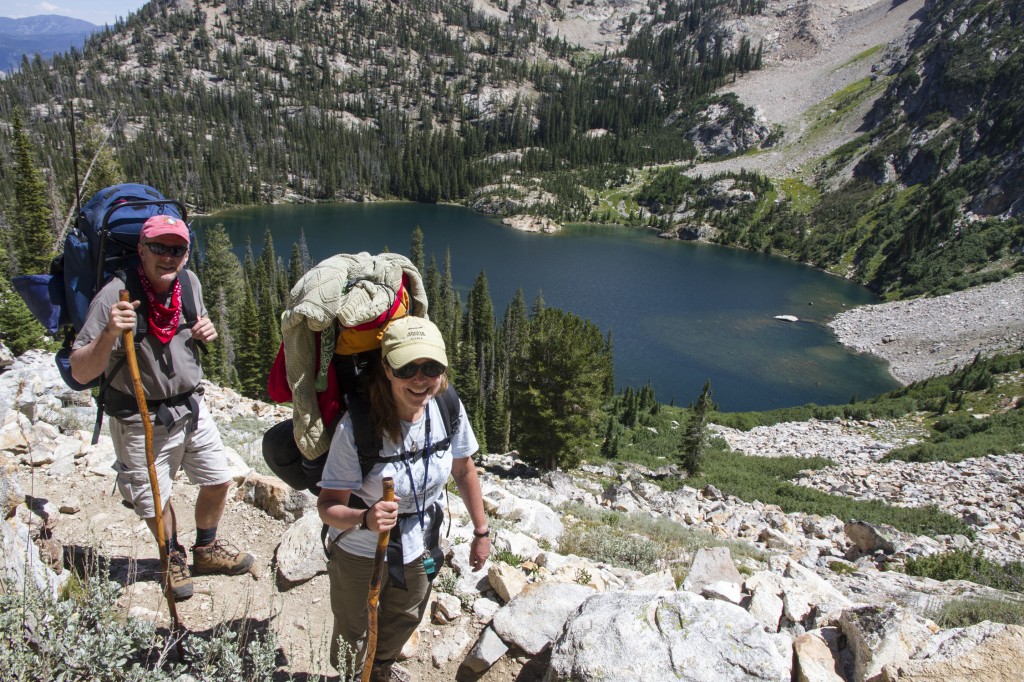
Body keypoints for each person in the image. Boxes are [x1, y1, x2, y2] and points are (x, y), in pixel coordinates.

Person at [69, 214, 253, 601]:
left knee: (218, 479)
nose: (168, 257)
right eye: (159, 248)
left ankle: (205, 548)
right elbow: (82, 371)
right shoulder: (114, 295)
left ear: (186, 254)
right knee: (156, 498)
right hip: (140, 416)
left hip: (191, 406)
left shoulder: (189, 283)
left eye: (177, 249)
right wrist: (109, 333)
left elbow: (189, 330)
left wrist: (206, 331)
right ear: (141, 249)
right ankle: (172, 555)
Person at [318, 316, 490, 682]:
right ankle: (352, 675)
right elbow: (327, 505)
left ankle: (379, 668)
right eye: (407, 367)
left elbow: (464, 470)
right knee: (353, 626)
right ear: (386, 369)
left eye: (431, 367)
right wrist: (364, 518)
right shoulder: (358, 427)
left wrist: (481, 531)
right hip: (360, 549)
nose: (420, 378)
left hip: (421, 540)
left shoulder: (447, 407)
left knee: (406, 614)